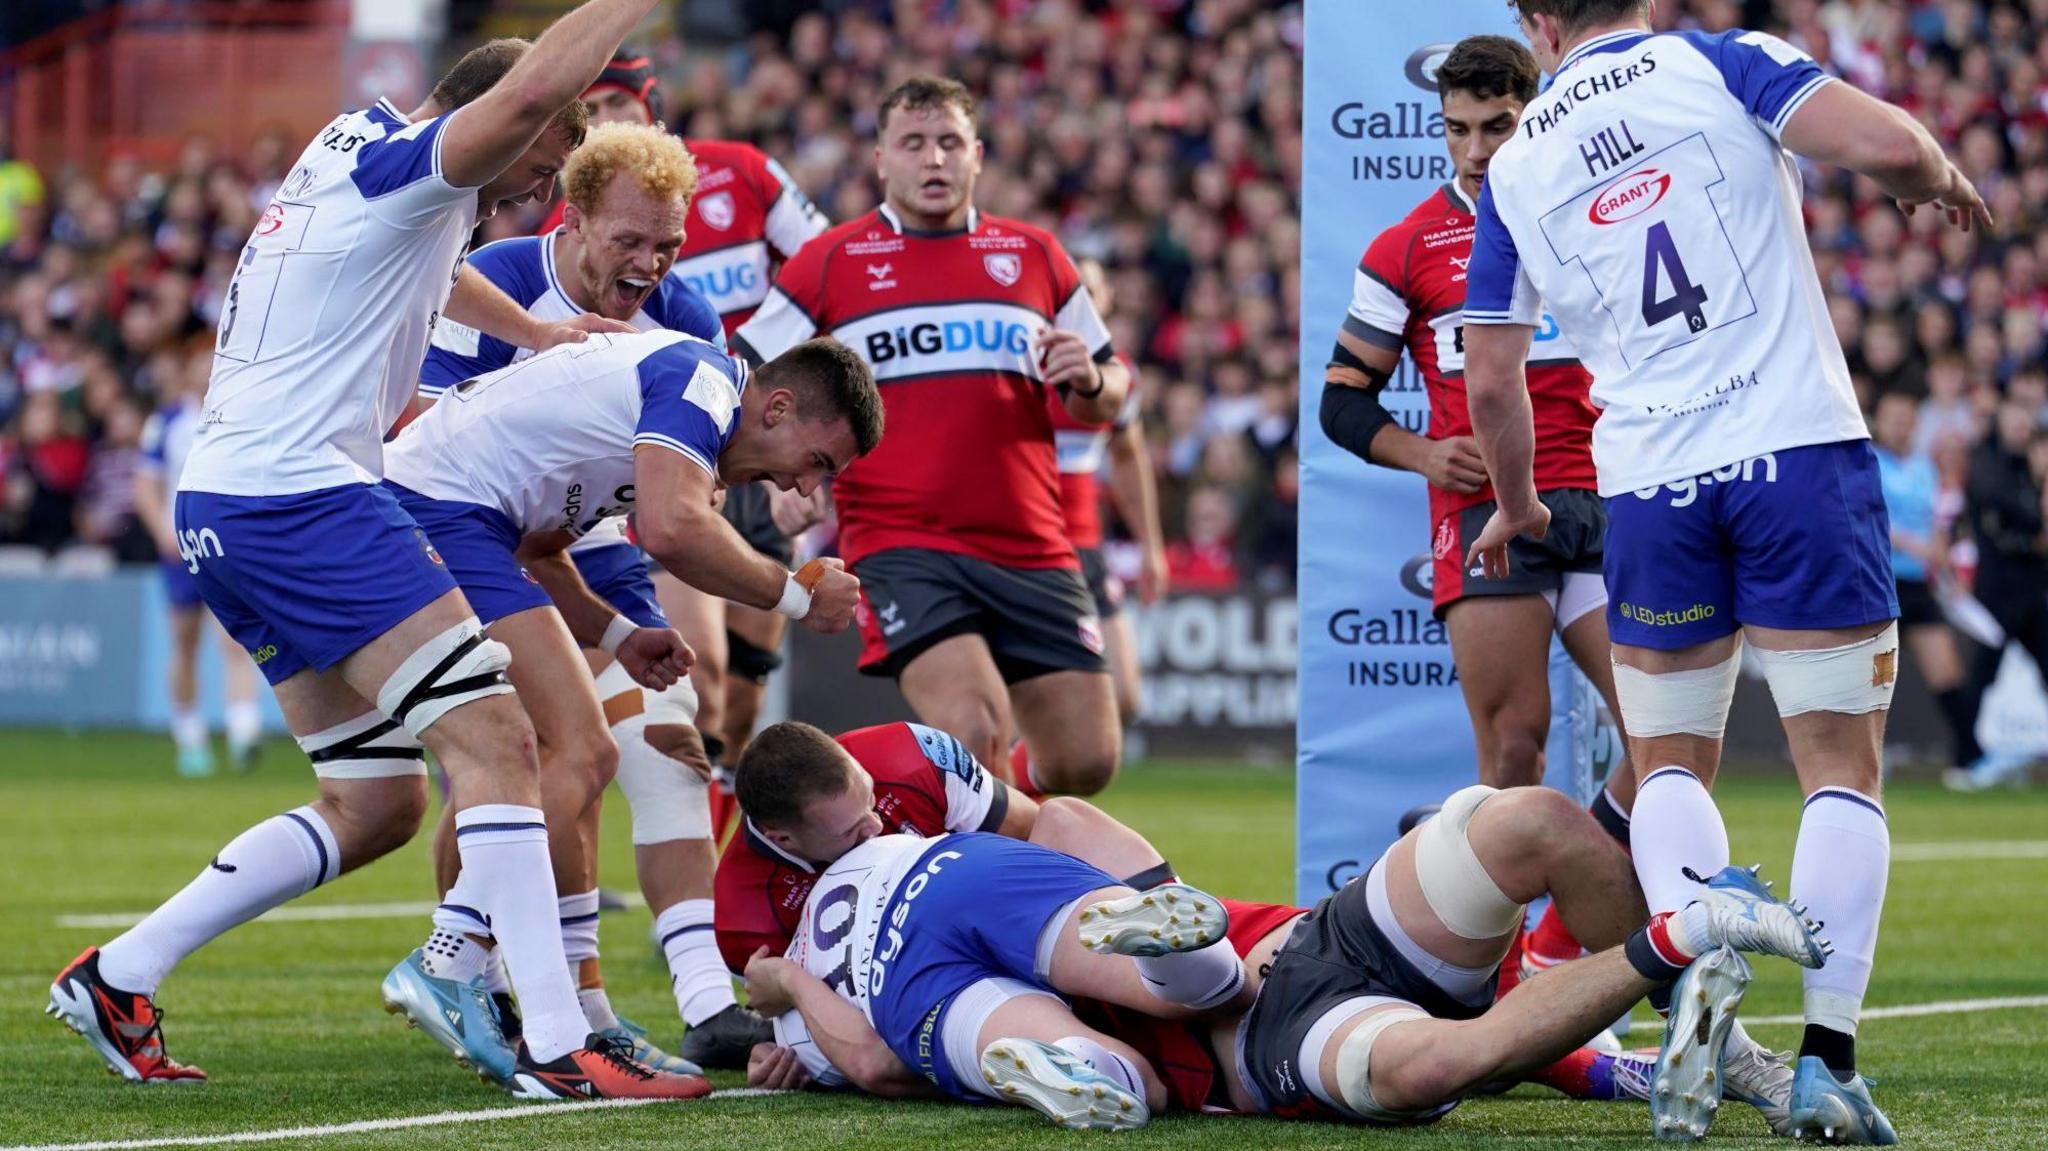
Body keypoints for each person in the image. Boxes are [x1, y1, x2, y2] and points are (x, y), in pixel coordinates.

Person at [47, 5, 718, 1101]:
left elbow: (434, 266)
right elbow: (530, 95)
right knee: (504, 739)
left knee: (378, 804)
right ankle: (556, 1042)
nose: (534, 192)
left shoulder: (352, 151)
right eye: (536, 162)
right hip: (305, 495)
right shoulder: (426, 159)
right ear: (488, 116)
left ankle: (121, 975)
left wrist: (538, 332)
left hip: (228, 498)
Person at [1459, 1, 1989, 1140]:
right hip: (1793, 451)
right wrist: (1933, 176)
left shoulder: (1514, 166)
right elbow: (1890, 145)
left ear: (1536, 23)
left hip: (1648, 483)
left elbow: (1492, 382)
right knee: (1837, 765)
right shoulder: (1717, 61)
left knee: (1665, 767)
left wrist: (1516, 506)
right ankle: (1827, 1062)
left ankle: (1698, 968)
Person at [378, 328, 880, 1081]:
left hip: (453, 513)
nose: (809, 490)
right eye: (818, 463)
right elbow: (675, 528)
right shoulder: (704, 383)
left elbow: (545, 545)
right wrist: (795, 596)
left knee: (556, 756)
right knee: (564, 750)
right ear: (776, 407)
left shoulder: (676, 413)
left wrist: (618, 631)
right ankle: (458, 957)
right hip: (437, 509)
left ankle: (566, 1005)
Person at [739, 789, 1828, 1134]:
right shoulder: (967, 851)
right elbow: (1065, 813)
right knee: (1433, 1066)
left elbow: (871, 1054)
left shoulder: (843, 939)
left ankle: (1717, 1035)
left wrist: (790, 1001)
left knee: (1532, 822)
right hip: (1271, 1026)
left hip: (1306, 953)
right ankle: (1689, 936)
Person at [402, 122, 738, 1074]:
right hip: (469, 525)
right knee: (516, 759)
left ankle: (685, 995)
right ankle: (482, 975)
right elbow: (426, 427)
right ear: (576, 217)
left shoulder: (687, 315)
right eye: (629, 239)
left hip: (597, 540)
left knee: (663, 735)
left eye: (667, 243)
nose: (648, 263)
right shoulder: (501, 276)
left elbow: (686, 473)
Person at [1317, 35, 1640, 990]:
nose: (1475, 150)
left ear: (1535, 112)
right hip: (1487, 512)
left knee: (1664, 736)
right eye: (1457, 129)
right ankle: (1494, 977)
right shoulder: (1406, 245)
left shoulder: (1599, 214)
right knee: (1513, 748)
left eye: (1496, 126)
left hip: (1604, 503)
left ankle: (1560, 947)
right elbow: (1343, 399)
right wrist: (1422, 451)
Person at [735, 75, 1133, 796]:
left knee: (1087, 761)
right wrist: (776, 476)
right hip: (902, 542)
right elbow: (747, 380)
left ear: (977, 155)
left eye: (950, 143)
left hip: (1033, 542)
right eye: (914, 144)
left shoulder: (1036, 255)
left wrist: (1092, 379)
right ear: (882, 160)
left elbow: (1113, 388)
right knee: (976, 728)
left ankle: (967, 812)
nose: (934, 159)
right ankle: (953, 880)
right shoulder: (831, 261)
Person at [548, 51, 832, 785]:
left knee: (744, 695)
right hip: (667, 456)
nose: (608, 122)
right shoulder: (566, 224)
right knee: (700, 682)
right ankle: (687, 882)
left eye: (621, 105)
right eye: (593, 112)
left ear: (653, 112)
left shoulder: (742, 171)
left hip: (756, 439)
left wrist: (783, 445)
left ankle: (726, 869)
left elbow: (829, 264)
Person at [740, 829, 1249, 1130]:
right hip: (957, 862)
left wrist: (787, 982)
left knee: (1140, 1087)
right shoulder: (882, 816)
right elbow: (1056, 815)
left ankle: (1076, 1058)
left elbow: (872, 1064)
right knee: (1223, 993)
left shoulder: (797, 1027)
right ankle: (1154, 938)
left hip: (894, 971)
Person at [713, 719, 1181, 973]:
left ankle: (1176, 918)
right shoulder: (746, 917)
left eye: (872, 801)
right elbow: (817, 1017)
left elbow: (1033, 837)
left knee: (1064, 819)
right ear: (782, 838)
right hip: (924, 978)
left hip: (995, 906)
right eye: (850, 832)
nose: (877, 826)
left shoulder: (911, 757)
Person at [1041, 257, 1164, 736]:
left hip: (1087, 548)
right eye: (1072, 297)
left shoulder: (1121, 377)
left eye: (1090, 294)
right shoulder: (1024, 368)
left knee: (1124, 699)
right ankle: (1017, 802)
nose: (1081, 306)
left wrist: (1151, 547)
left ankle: (1032, 789)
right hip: (1027, 549)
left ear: (1108, 299)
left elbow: (1130, 460)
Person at [134, 339, 262, 778]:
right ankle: (189, 738)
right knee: (185, 643)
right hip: (179, 548)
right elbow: (146, 484)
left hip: (224, 545)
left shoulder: (240, 418)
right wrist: (161, 531)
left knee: (235, 641)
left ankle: (243, 732)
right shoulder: (166, 422)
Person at [1869, 391, 1981, 778]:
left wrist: (1941, 555)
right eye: (1893, 417)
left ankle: (1970, 761)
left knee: (1946, 672)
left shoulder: (1923, 468)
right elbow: (1872, 518)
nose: (1900, 425)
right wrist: (1914, 544)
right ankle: (1868, 761)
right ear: (1879, 421)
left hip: (1918, 584)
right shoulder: (1869, 463)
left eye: (1906, 417)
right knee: (1877, 678)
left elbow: (1937, 521)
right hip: (1882, 582)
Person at [1946, 397, 2047, 791]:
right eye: (2014, 418)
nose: (2021, 426)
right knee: (1981, 677)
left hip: (2033, 592)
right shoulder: (1988, 464)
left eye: (2026, 418)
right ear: (2001, 422)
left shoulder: (2033, 467)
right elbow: (2002, 518)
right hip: (1997, 597)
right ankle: (1966, 759)